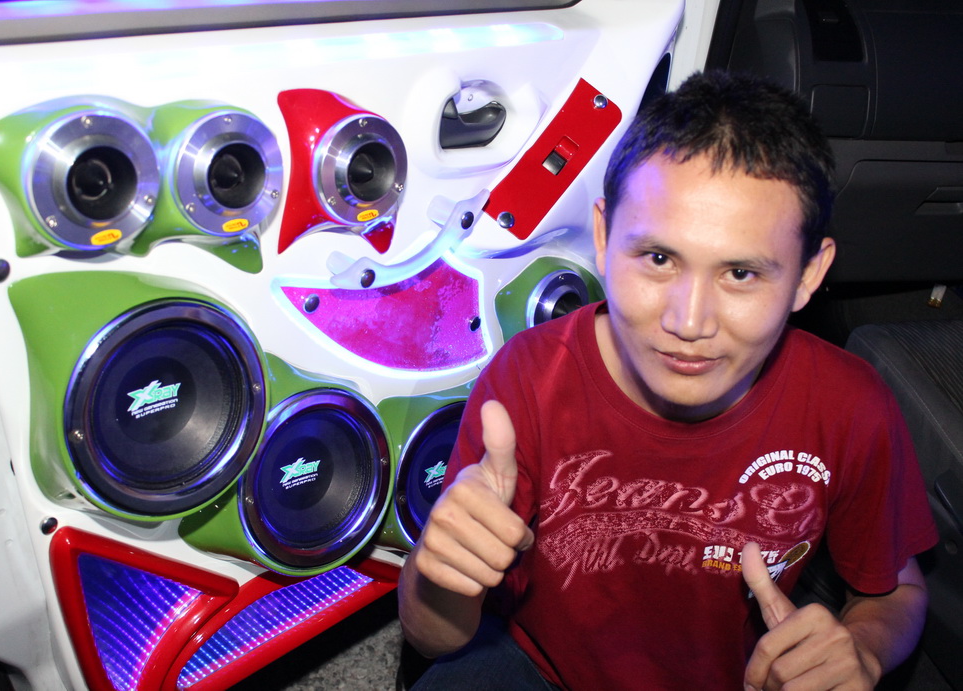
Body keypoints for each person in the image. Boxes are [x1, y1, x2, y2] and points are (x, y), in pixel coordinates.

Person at [397, 70, 939, 690]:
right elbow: (431, 635)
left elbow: (896, 591)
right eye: (658, 258)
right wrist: (439, 573)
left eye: (740, 274)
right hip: (537, 667)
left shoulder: (850, 407)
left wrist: (862, 650)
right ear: (604, 238)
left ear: (808, 277)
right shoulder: (528, 379)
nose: (688, 322)